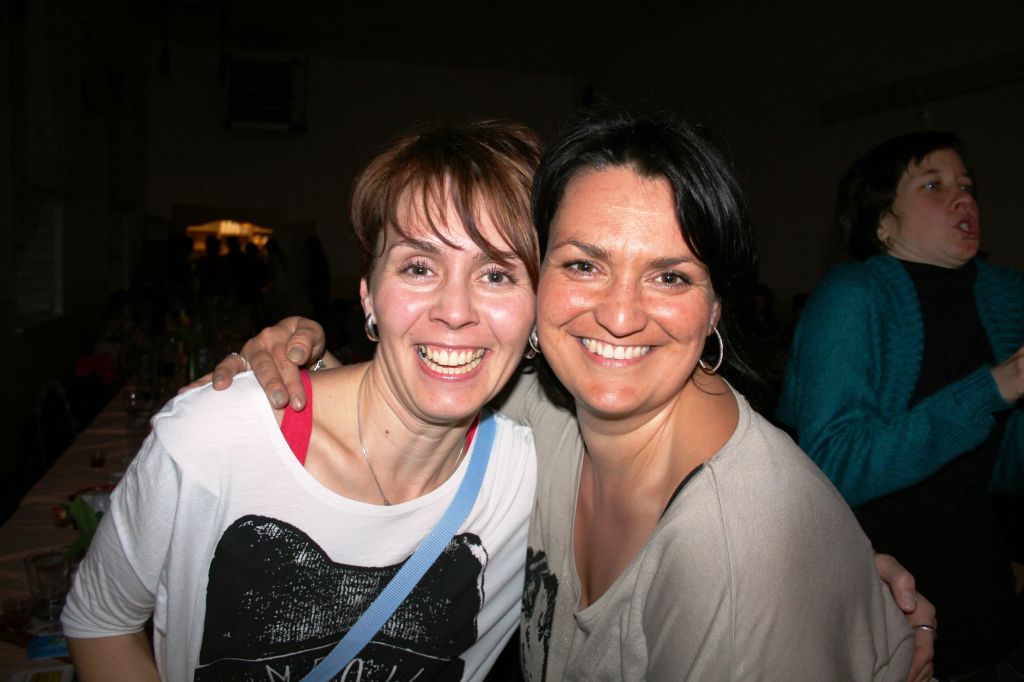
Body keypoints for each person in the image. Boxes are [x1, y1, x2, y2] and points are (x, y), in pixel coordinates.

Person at [212, 108, 937, 681]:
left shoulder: (731, 554)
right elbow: (409, 411)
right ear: (535, 281)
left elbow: (762, 559)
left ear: (717, 305)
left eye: (670, 276)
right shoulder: (545, 412)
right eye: (584, 265)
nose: (619, 316)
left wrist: (808, 574)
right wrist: (307, 364)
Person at [61, 121, 543, 681]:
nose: (454, 310)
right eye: (418, 267)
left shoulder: (533, 478)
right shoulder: (216, 438)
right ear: (368, 293)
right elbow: (101, 621)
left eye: (497, 274)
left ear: (539, 308)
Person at [776, 131, 1024, 679]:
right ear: (883, 222)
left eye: (966, 185)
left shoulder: (1005, 297)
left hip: (986, 595)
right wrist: (992, 388)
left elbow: (1007, 471)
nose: (962, 198)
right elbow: (833, 466)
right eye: (933, 185)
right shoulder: (853, 294)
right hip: (887, 599)